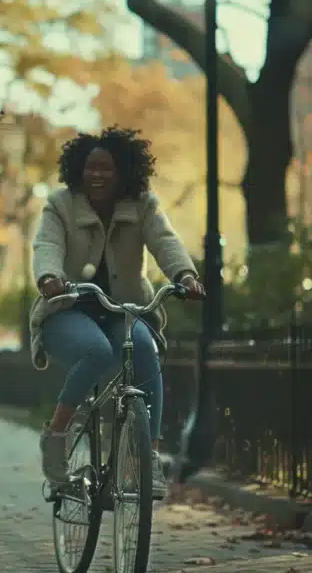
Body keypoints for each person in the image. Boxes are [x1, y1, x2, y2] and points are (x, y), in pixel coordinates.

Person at [29, 126, 205, 499]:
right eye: (91, 166)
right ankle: (57, 434)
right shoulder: (61, 204)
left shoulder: (142, 204)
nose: (97, 174)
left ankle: (148, 459)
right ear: (78, 169)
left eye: (107, 167)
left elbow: (165, 240)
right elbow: (46, 243)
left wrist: (185, 276)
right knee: (96, 351)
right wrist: (49, 277)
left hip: (123, 309)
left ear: (124, 171)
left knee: (145, 350)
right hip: (68, 307)